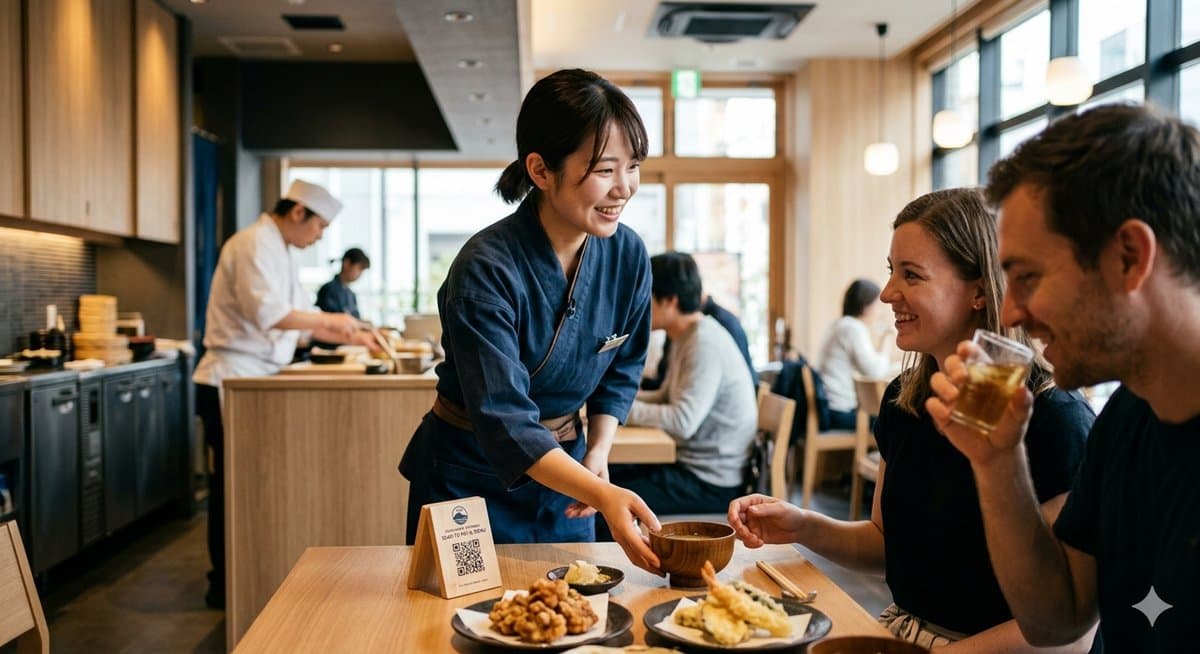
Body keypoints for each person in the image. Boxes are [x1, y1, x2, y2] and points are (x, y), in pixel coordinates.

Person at [729, 188, 1096, 652]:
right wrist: (802, 526)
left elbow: (1068, 637)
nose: (886, 293)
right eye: (890, 271)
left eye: (911, 275)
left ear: (980, 291)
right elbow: (888, 544)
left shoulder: (1057, 423)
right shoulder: (904, 401)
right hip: (903, 635)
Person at [927, 104, 1200, 653]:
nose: (1010, 314)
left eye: (1028, 277)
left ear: (1128, 257)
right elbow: (1056, 620)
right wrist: (997, 462)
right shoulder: (1128, 415)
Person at [398, 69, 663, 573]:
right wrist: (602, 493)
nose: (624, 187)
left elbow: (624, 365)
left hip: (570, 482)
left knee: (570, 616)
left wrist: (598, 455)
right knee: (456, 629)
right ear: (540, 170)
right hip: (469, 480)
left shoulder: (627, 254)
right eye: (605, 169)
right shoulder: (486, 268)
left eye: (633, 166)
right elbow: (504, 418)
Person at [193, 179, 379, 609]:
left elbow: (296, 327)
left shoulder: (278, 249)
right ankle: (223, 584)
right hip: (229, 376)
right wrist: (336, 321)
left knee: (244, 485)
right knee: (231, 488)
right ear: (298, 213)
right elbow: (271, 315)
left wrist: (349, 332)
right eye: (318, 227)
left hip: (255, 374)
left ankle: (241, 574)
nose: (318, 237)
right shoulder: (253, 244)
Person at [612, 252, 758, 516]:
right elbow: (666, 396)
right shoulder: (687, 336)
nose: (638, 306)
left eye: (645, 296)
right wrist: (614, 402)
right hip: (691, 466)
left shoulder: (704, 343)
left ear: (670, 301)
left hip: (710, 481)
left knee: (607, 502)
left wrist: (620, 411)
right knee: (604, 481)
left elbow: (682, 421)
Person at [817, 279, 896, 429]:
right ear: (866, 307)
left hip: (828, 408)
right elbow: (876, 372)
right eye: (877, 305)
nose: (879, 311)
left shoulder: (840, 325)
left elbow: (871, 366)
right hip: (838, 413)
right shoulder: (853, 328)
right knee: (893, 423)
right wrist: (887, 337)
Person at [641, 291, 757, 391]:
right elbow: (666, 384)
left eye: (647, 298)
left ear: (671, 300)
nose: (641, 308)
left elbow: (682, 414)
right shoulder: (682, 332)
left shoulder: (708, 334)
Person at [317, 247, 370, 318]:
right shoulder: (328, 290)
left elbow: (356, 318)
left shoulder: (351, 294)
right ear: (346, 263)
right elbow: (332, 319)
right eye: (359, 268)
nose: (360, 274)